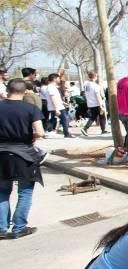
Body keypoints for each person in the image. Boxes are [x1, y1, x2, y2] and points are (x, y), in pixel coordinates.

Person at [0, 79, 45, 240]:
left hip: (2, 154)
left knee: (3, 192)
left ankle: (2, 228)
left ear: (8, 89)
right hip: (23, 154)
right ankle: (19, 227)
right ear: (25, 91)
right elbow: (40, 132)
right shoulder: (30, 108)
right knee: (25, 192)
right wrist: (32, 138)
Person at [45, 72, 73, 138]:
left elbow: (56, 98)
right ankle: (66, 133)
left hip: (57, 106)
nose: (59, 79)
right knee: (65, 119)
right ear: (55, 79)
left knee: (53, 120)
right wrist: (56, 108)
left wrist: (63, 102)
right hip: (57, 107)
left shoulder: (52, 87)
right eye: (58, 78)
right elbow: (52, 98)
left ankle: (46, 130)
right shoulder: (50, 87)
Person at [81, 71, 106, 136]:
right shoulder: (95, 86)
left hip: (90, 103)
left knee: (97, 116)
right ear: (95, 77)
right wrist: (101, 105)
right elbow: (97, 95)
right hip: (96, 103)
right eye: (96, 76)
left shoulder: (86, 85)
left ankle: (103, 130)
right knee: (99, 116)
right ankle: (85, 128)